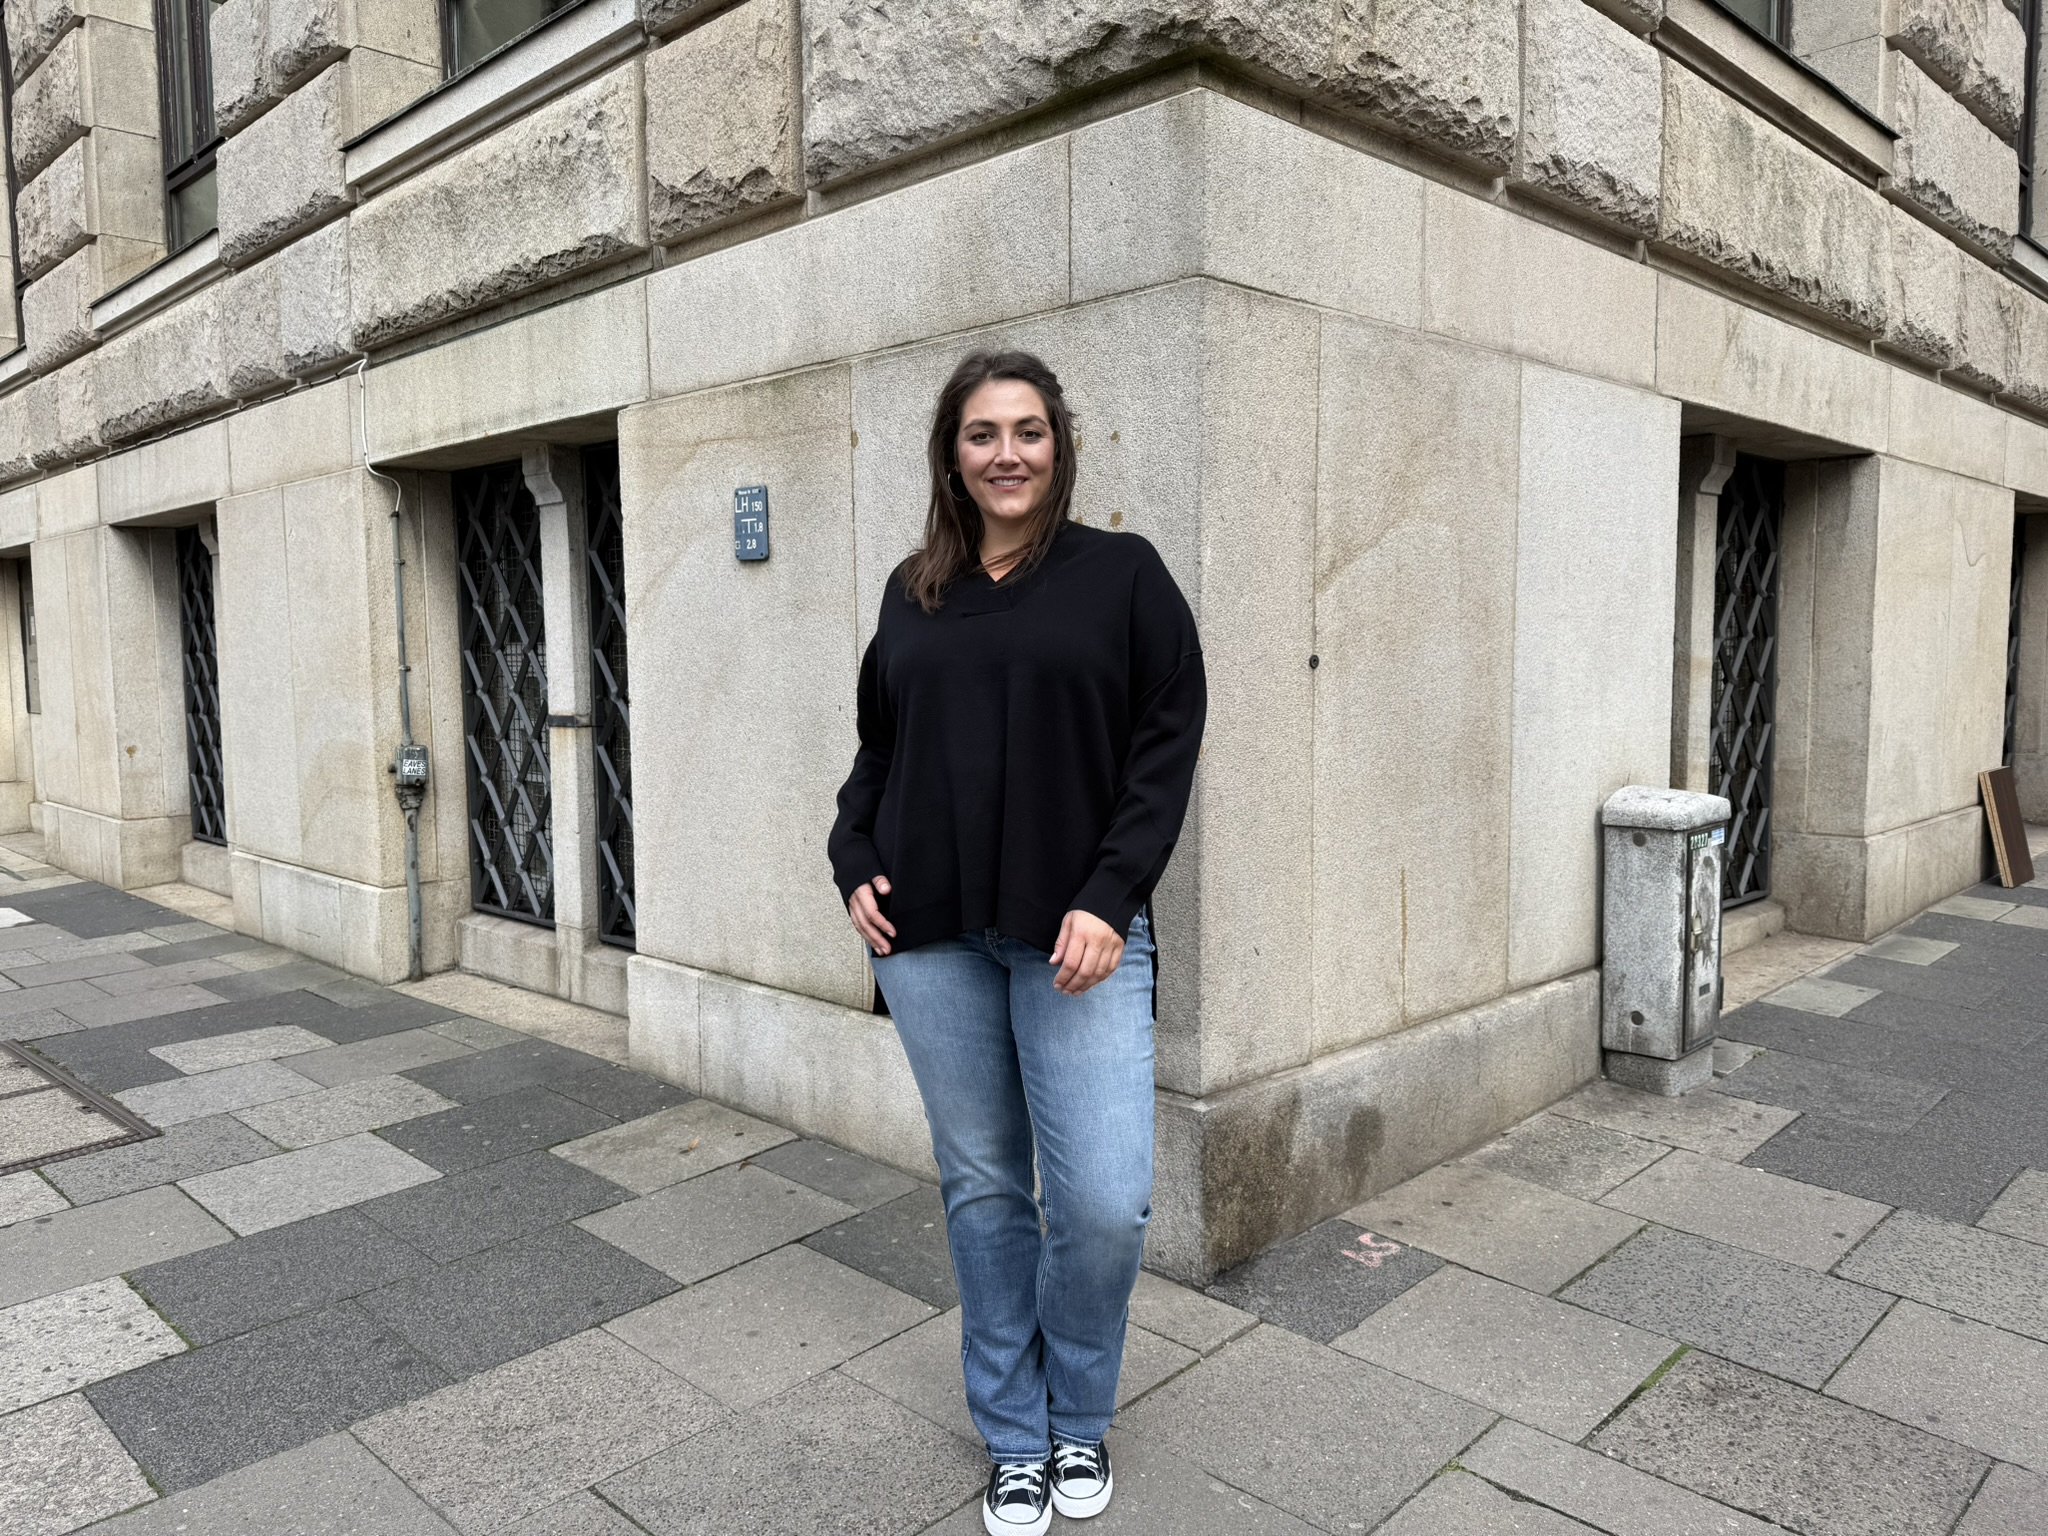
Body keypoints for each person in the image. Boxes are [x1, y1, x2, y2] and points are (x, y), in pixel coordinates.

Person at [829, 350, 1206, 1534]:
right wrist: (850, 863)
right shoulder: (914, 590)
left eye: (1028, 432)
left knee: (1100, 1201)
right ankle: (1013, 1436)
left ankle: (1077, 1417)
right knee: (986, 1190)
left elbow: (1165, 744)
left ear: (1060, 444)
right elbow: (877, 755)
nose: (1007, 454)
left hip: (1076, 937)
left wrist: (1109, 892)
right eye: (983, 433)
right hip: (927, 937)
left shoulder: (1121, 576)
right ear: (951, 452)